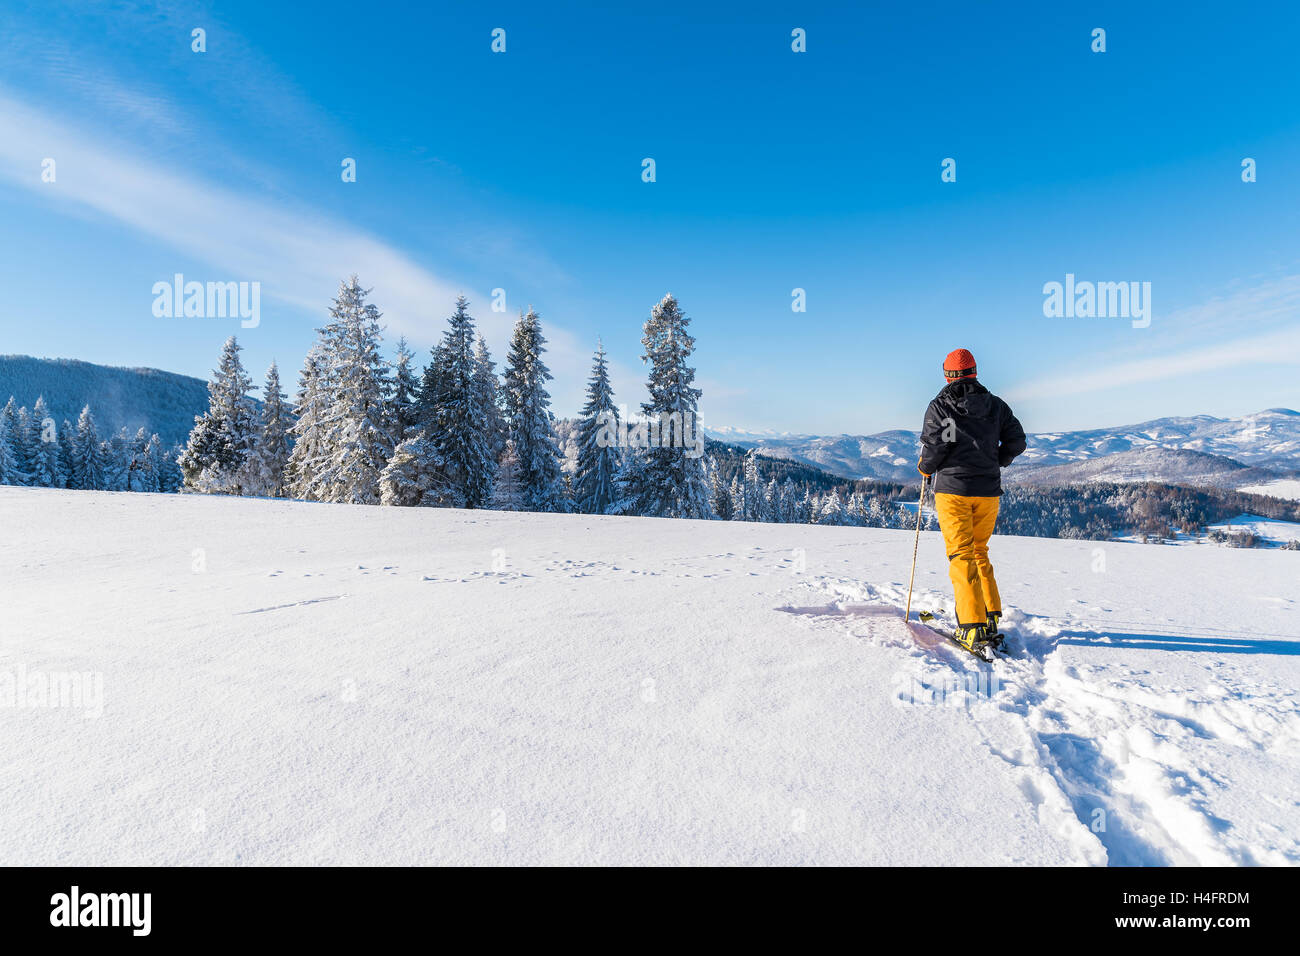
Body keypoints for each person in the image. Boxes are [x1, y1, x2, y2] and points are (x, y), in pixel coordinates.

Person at [917, 348, 1025, 651]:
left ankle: (971, 627)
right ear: (974, 371)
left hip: (953, 491)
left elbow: (936, 447)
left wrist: (925, 468)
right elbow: (1017, 441)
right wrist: (996, 460)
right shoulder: (996, 406)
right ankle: (989, 616)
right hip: (988, 491)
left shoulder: (941, 407)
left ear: (947, 374)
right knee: (980, 551)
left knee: (961, 555)